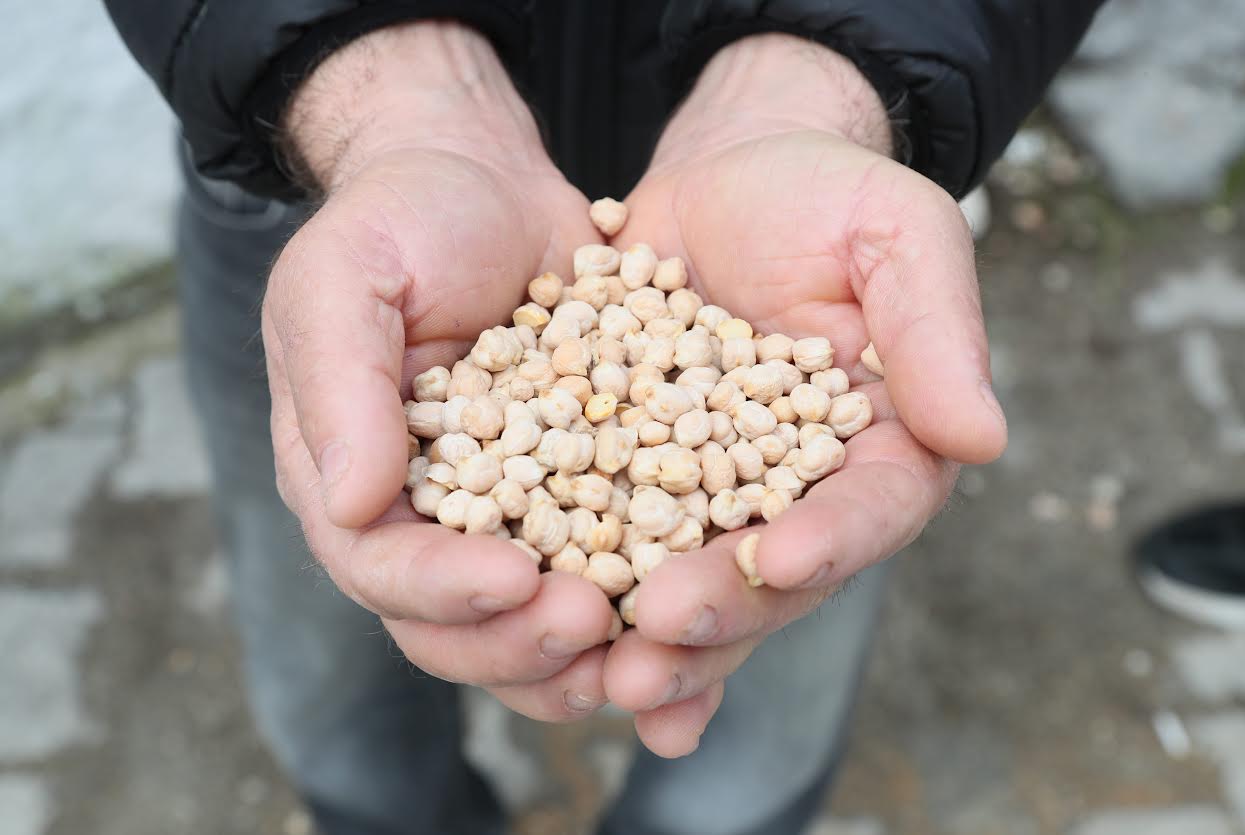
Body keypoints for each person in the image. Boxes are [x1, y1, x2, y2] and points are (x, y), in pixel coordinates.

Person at [103, 4, 1102, 834]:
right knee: (341, 687)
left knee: (752, 667)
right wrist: (382, 80)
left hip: (794, 243)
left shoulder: (765, 378)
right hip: (335, 170)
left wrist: (821, 74)